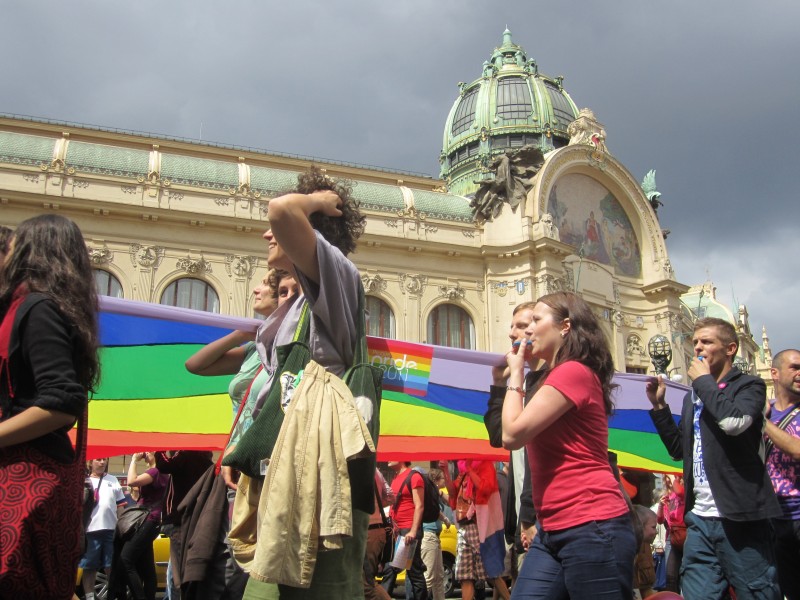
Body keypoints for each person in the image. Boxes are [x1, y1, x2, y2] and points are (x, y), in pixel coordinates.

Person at [238, 166, 373, 599]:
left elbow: (280, 211)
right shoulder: (298, 308)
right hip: (292, 476)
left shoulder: (335, 272)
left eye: (276, 230)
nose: (267, 234)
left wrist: (315, 201)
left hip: (319, 478)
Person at [502, 291, 636, 599]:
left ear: (565, 327)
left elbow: (512, 434)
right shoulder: (552, 376)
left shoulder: (572, 371)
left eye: (536, 320)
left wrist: (516, 374)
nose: (528, 330)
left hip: (592, 525)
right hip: (552, 530)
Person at [0, 214, 100, 600]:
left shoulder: (36, 308)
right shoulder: (36, 307)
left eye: (14, 245)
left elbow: (62, 401)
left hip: (25, 475)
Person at [646, 317, 782, 600]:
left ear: (730, 348)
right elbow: (677, 449)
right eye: (695, 342)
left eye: (707, 342)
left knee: (757, 593)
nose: (698, 348)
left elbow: (734, 423)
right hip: (700, 519)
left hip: (740, 517)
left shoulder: (749, 386)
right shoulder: (693, 396)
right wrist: (659, 407)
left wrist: (705, 382)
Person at [483, 302, 539, 575]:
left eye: (520, 325)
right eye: (511, 325)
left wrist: (529, 517)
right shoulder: (522, 383)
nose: (511, 333)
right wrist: (498, 383)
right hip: (523, 526)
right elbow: (499, 437)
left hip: (542, 523)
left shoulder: (551, 382)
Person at [764, 348, 800, 599]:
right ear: (774, 373)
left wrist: (761, 422)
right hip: (769, 518)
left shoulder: (760, 417)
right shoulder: (763, 409)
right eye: (795, 367)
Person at [154, 450, 214, 599]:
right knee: (180, 568)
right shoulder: (207, 464)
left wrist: (159, 449)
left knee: (179, 570)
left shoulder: (186, 455)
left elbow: (164, 465)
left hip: (178, 520)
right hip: (195, 519)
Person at [112, 452, 169, 600]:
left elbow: (131, 481)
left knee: (126, 560)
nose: (145, 454)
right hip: (152, 521)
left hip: (148, 520)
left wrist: (133, 461)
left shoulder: (155, 471)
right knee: (146, 567)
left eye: (149, 452)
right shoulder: (161, 473)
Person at [453, 459, 509, 600]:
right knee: (465, 576)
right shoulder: (462, 468)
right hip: (463, 526)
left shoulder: (485, 465)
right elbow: (454, 494)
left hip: (480, 526)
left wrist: (470, 469)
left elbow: (485, 489)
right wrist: (446, 473)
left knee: (492, 571)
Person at [80, 457, 128, 600]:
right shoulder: (84, 481)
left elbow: (121, 506)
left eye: (104, 460)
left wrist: (123, 527)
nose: (102, 462)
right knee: (89, 567)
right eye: (98, 460)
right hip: (90, 531)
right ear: (90, 462)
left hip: (110, 530)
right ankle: (89, 597)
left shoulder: (113, 480)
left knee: (110, 566)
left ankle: (114, 595)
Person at [381, 461, 429, 600]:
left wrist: (413, 531)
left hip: (408, 532)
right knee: (393, 569)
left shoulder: (414, 477)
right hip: (398, 532)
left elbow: (419, 505)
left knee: (412, 572)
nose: (389, 459)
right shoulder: (396, 478)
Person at [363, 468, 394, 600]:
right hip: (377, 529)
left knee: (366, 584)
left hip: (368, 530)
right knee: (366, 582)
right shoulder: (376, 471)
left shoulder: (359, 466)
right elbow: (390, 496)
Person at [420, 468, 450, 600]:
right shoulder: (430, 493)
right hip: (429, 535)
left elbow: (449, 500)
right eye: (443, 478)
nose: (444, 480)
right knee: (429, 577)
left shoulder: (435, 492)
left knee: (439, 576)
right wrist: (445, 519)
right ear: (437, 480)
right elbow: (434, 510)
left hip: (435, 536)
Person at [656, 474, 685, 593]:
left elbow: (680, 492)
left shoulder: (683, 492)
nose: (668, 481)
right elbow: (660, 520)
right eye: (666, 479)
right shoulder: (668, 496)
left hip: (685, 534)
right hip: (671, 536)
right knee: (670, 575)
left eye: (670, 478)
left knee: (686, 572)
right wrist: (661, 506)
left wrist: (674, 479)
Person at [632, 505, 658, 599]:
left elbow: (646, 588)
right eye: (653, 527)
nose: (656, 532)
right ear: (640, 526)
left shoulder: (644, 545)